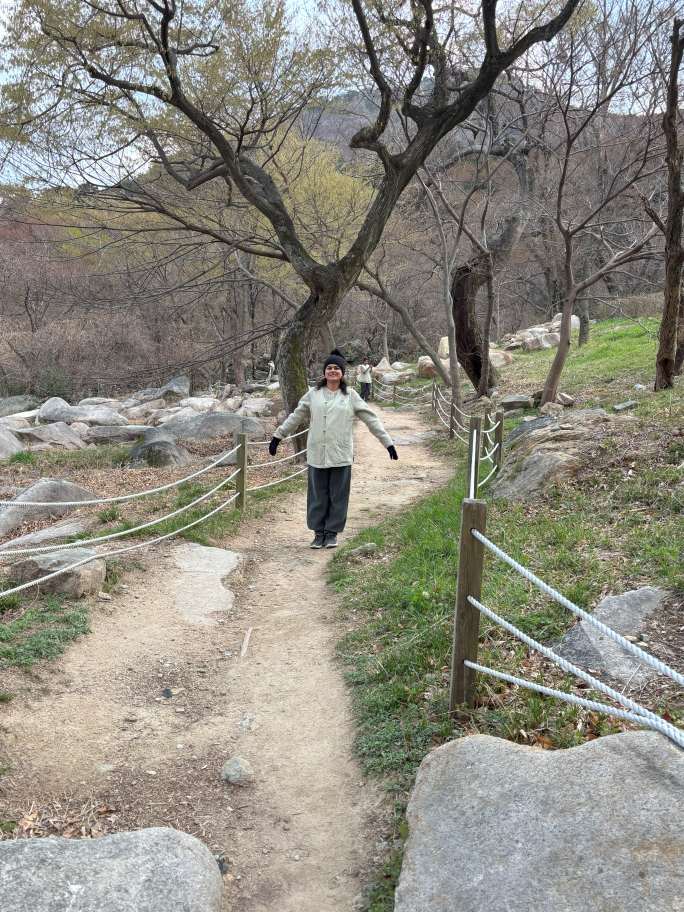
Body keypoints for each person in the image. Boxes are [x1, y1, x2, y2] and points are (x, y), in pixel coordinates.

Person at [268, 349, 398, 549]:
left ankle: (331, 533)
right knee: (317, 496)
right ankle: (318, 533)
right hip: (317, 453)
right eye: (329, 368)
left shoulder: (351, 396)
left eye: (337, 368)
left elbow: (371, 419)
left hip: (340, 454)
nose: (333, 371)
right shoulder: (314, 394)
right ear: (324, 372)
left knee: (338, 496)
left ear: (342, 373)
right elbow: (296, 416)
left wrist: (387, 443)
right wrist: (278, 436)